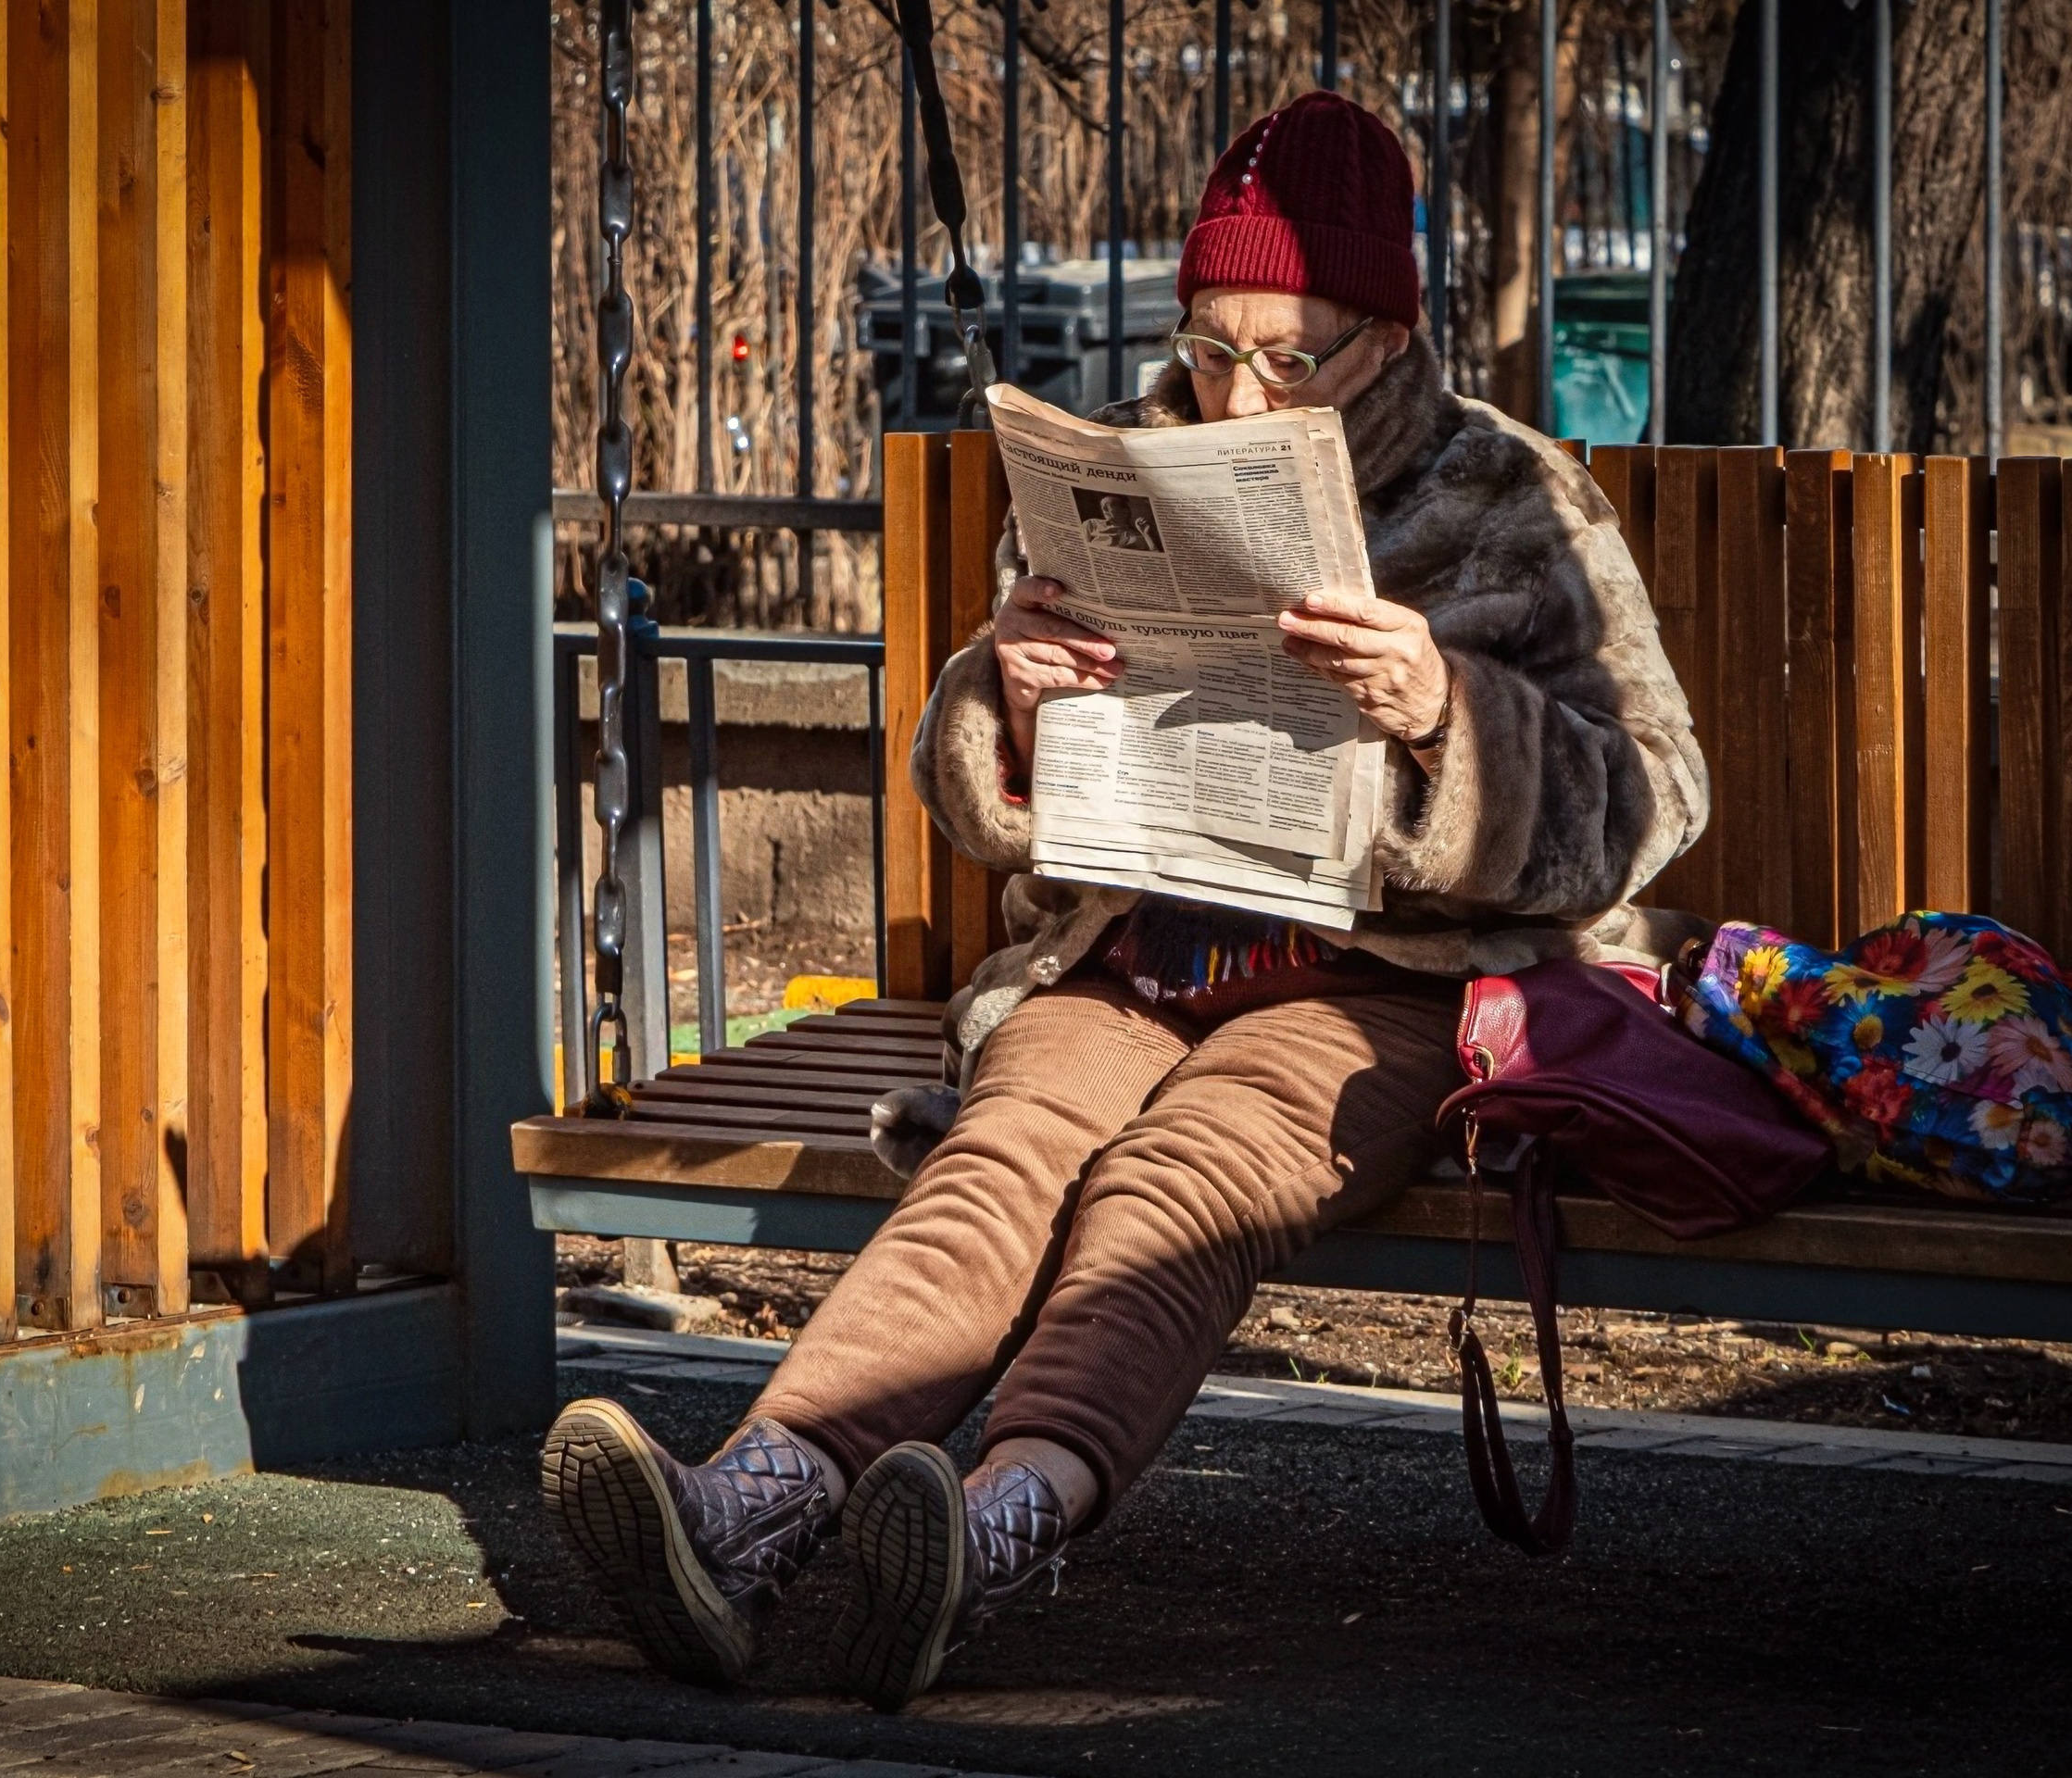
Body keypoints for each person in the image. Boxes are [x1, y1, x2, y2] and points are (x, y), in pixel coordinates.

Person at [542, 91, 1708, 1708]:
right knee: (1000, 1157)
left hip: (1383, 988)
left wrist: (1447, 708)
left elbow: (1659, 795)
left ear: (1387, 332)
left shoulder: (1512, 499)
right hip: (1132, 947)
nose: (1236, 387)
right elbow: (990, 796)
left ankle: (992, 1524)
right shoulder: (1127, 462)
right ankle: (744, 1511)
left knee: (1179, 1180)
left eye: (1288, 356)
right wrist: (1003, 696)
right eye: (1212, 342)